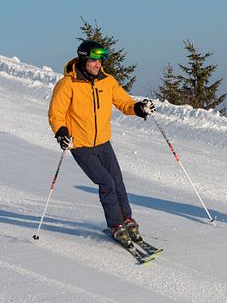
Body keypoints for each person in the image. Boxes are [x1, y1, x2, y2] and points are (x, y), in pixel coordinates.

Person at [48, 40, 155, 246]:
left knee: (117, 180)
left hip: (104, 142)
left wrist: (139, 108)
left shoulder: (107, 81)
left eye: (101, 60)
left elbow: (124, 103)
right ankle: (115, 224)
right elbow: (56, 114)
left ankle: (127, 219)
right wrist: (61, 133)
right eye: (94, 60)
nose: (99, 64)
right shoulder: (67, 84)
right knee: (106, 182)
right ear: (83, 58)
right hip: (80, 145)